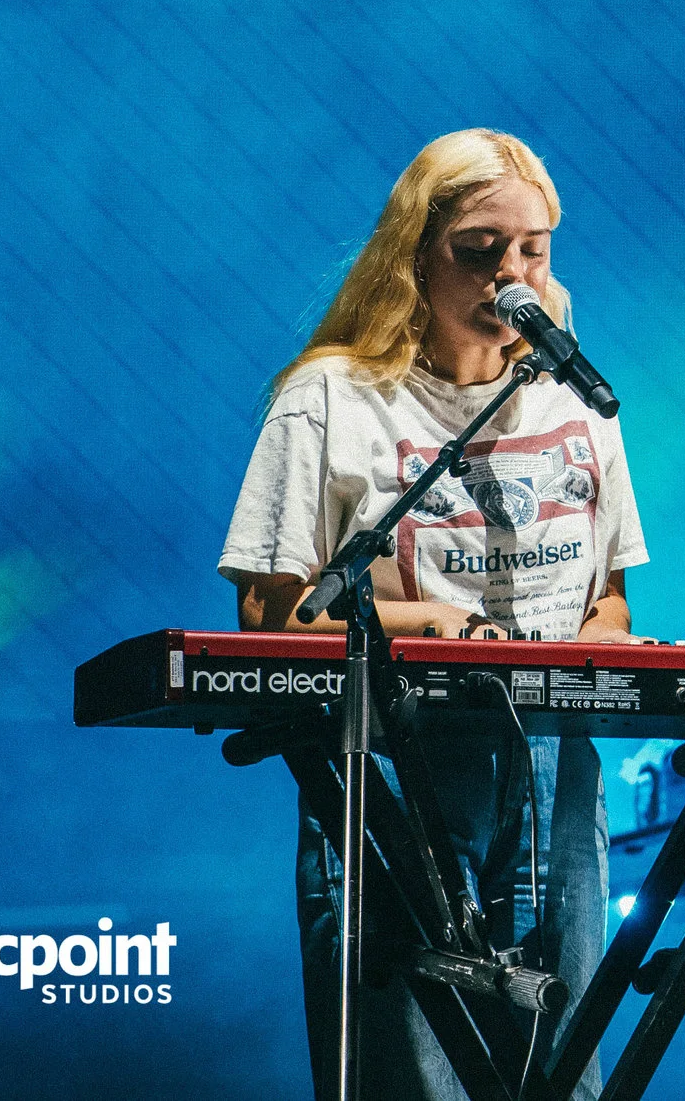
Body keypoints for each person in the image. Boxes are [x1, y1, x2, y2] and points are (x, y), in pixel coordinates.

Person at [220, 128, 648, 1100]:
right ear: (415, 250)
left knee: (567, 1069)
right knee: (414, 1074)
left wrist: (614, 650)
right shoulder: (328, 400)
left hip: (554, 769)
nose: (512, 271)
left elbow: (610, 600)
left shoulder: (579, 407)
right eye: (480, 247)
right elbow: (264, 612)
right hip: (394, 773)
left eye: (533, 247)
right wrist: (426, 623)